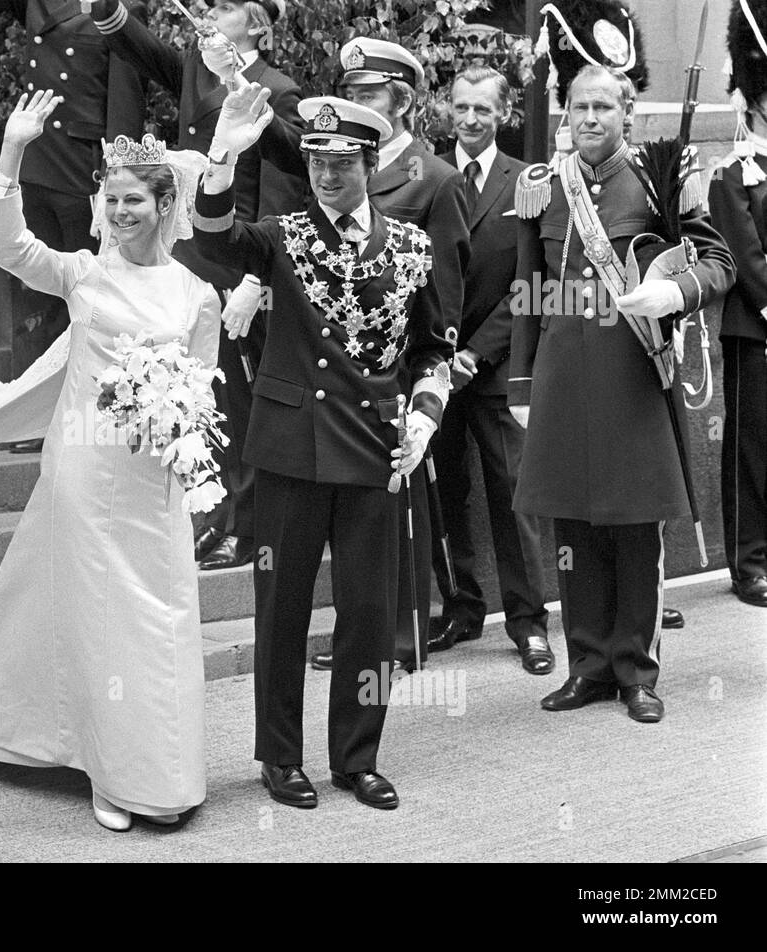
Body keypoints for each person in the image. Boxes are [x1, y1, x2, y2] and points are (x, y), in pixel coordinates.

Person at [0, 91, 221, 831]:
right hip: (83, 472)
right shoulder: (82, 275)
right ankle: (106, 769)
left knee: (154, 618)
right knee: (96, 615)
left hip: (152, 479)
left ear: (164, 206)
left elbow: (202, 395)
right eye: (112, 198)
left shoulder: (197, 295)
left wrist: (187, 456)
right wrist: (12, 148)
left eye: (134, 200)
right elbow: (9, 247)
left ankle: (156, 769)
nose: (121, 211)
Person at [194, 86, 451, 810]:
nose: (327, 176)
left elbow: (435, 349)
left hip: (374, 446)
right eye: (315, 161)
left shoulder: (409, 246)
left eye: (342, 162)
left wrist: (425, 418)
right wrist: (223, 161)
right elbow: (214, 236)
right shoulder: (282, 235)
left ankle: (356, 756)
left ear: (371, 161)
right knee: (283, 608)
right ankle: (279, 756)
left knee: (370, 612)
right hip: (292, 448)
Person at [508, 65, 734, 723]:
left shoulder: (660, 178)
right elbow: (527, 290)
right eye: (579, 108)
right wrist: (522, 383)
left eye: (604, 107)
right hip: (563, 379)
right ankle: (588, 666)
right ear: (564, 115)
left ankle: (636, 670)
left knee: (635, 526)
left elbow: (716, 262)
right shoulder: (544, 189)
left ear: (626, 115)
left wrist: (674, 292)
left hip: (634, 374)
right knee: (573, 521)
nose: (590, 119)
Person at [88, 0, 306, 571]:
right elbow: (135, 43)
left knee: (242, 397)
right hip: (191, 266)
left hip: (239, 275)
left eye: (230, 6)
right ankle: (214, 517)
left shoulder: (274, 88)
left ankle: (245, 525)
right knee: (203, 394)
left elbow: (281, 193)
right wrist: (105, 8)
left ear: (258, 26)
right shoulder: (196, 67)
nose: (212, 12)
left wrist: (256, 279)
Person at [294, 38, 469, 674]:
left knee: (402, 517)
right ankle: (357, 637)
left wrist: (433, 383)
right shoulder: (331, 160)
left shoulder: (436, 179)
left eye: (368, 95)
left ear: (400, 101)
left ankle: (398, 641)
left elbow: (441, 294)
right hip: (328, 373)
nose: (355, 102)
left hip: (393, 375)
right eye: (352, 93)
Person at [424, 65, 552, 675]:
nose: (470, 120)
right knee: (444, 491)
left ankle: (529, 623)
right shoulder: (426, 174)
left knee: (512, 494)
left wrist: (478, 351)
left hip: (495, 370)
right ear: (447, 107)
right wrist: (440, 355)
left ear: (504, 115)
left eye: (483, 110)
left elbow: (531, 281)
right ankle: (460, 607)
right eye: (461, 107)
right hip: (432, 364)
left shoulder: (526, 182)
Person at [0, 0, 147, 452]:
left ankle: (83, 411)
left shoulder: (117, 8)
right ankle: (28, 412)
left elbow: (124, 103)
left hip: (84, 170)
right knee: (32, 292)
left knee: (86, 294)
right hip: (38, 159)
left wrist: (116, 178)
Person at [708, 0, 767, 609]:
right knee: (751, 448)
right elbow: (745, 258)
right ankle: (748, 561)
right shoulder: (733, 173)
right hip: (756, 329)